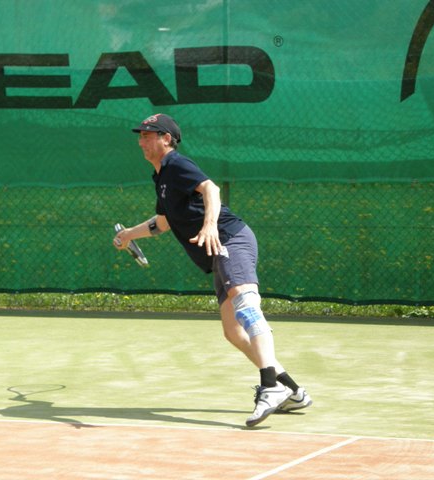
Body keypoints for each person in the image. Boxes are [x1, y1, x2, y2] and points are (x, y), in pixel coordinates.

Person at [113, 113, 312, 427]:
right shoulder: (161, 177)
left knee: (246, 304)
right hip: (216, 253)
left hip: (229, 238)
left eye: (148, 136)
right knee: (233, 332)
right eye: (141, 136)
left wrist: (209, 226)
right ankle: (292, 390)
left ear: (167, 139)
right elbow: (162, 223)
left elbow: (211, 190)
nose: (141, 141)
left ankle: (269, 385)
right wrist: (128, 235)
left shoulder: (176, 163)